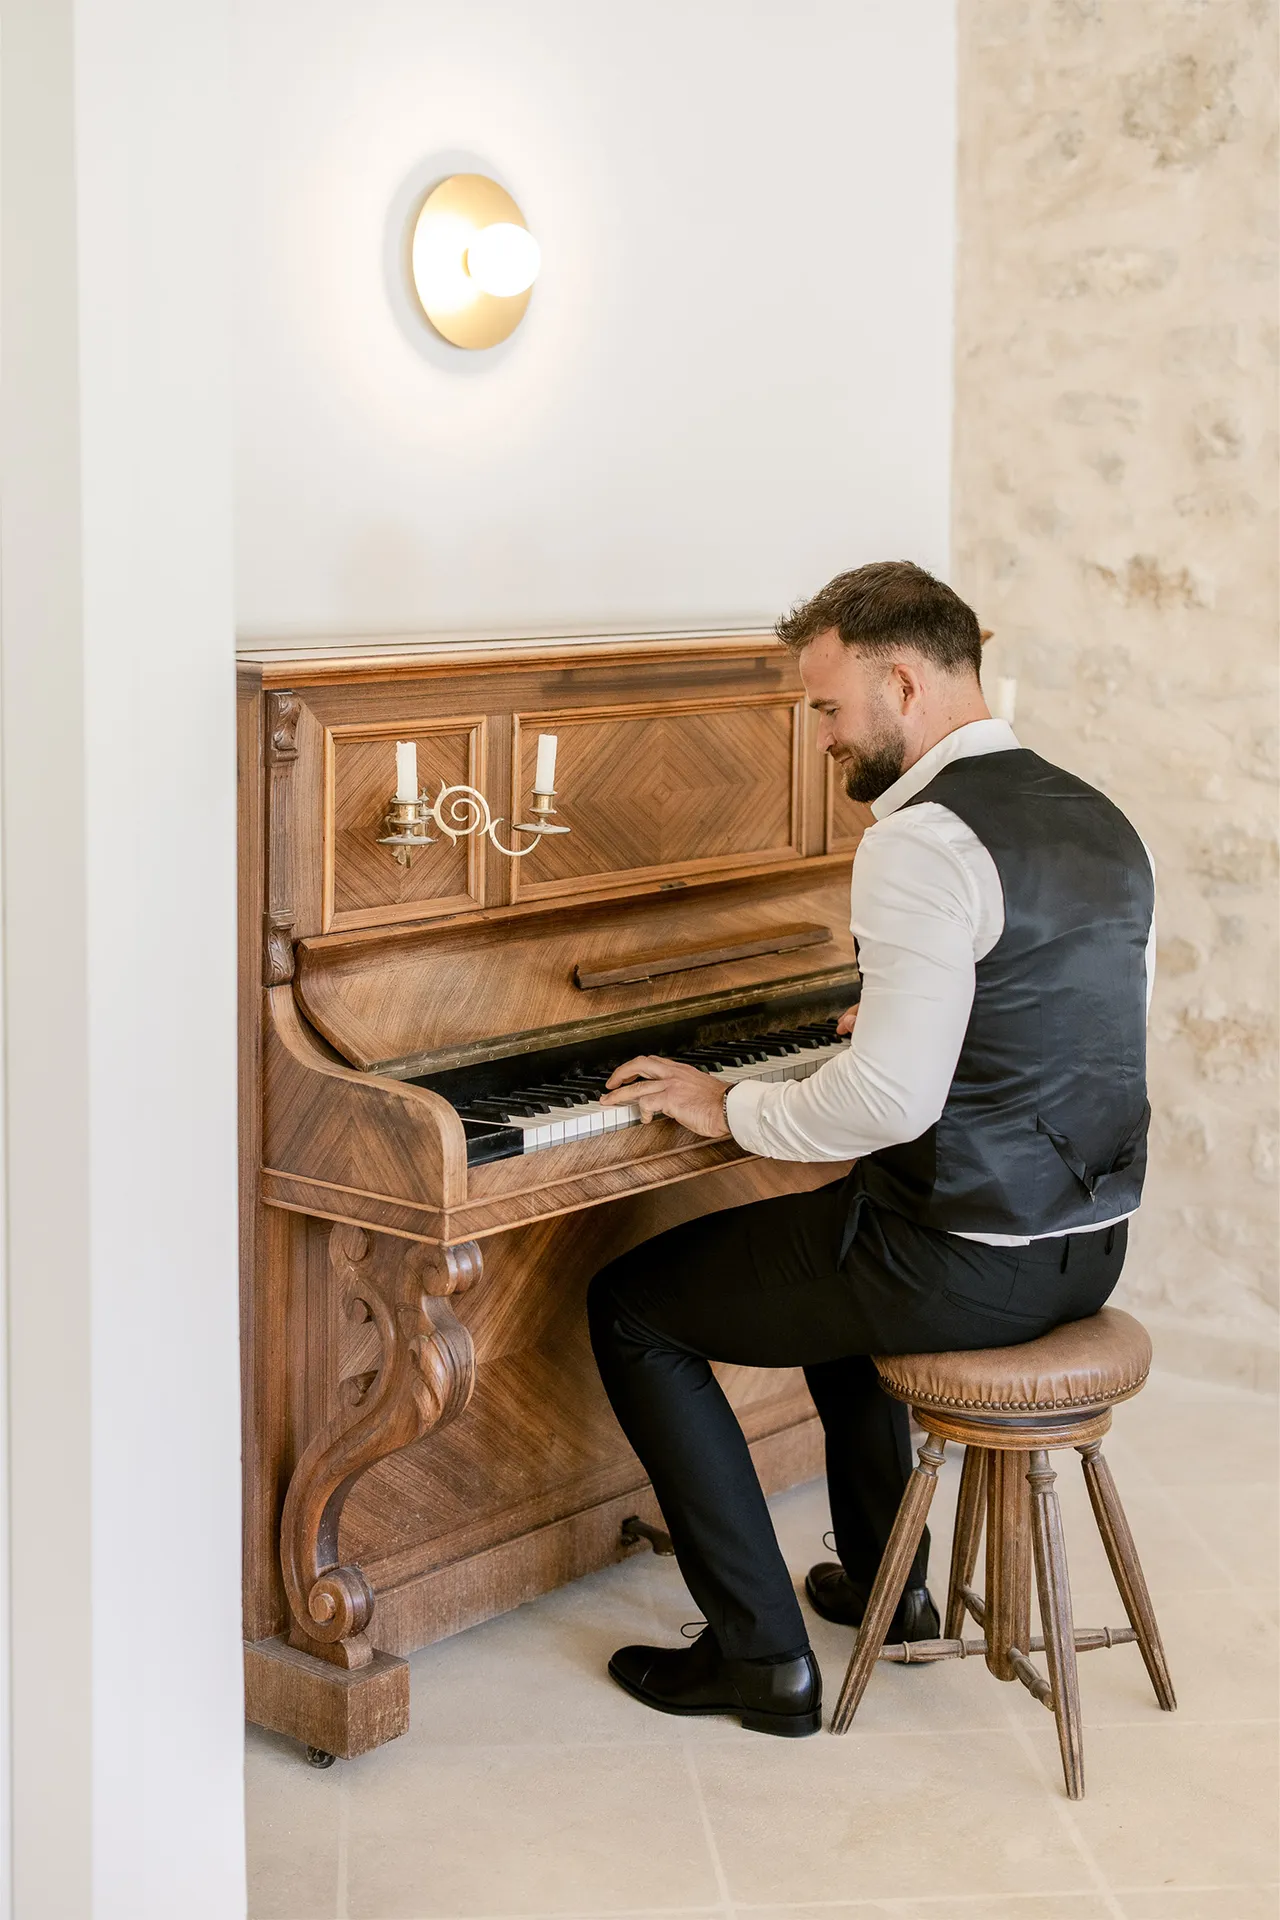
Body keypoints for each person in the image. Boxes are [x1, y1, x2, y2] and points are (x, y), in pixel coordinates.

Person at [587, 560, 1155, 1738]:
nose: (822, 739)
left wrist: (725, 1106)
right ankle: (888, 1591)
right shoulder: (1096, 817)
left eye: (827, 709)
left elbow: (889, 1103)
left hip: (963, 1261)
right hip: (1087, 1246)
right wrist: (914, 1015)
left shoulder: (922, 839)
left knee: (631, 1308)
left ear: (900, 683)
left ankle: (758, 1659)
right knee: (829, 1265)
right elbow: (1070, 1026)